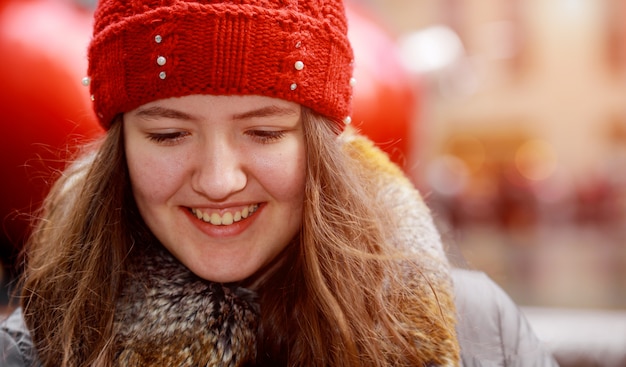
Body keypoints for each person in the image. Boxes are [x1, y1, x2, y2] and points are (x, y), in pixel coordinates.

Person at [0, 0, 558, 366]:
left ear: (321, 143)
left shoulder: (482, 333)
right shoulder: (37, 348)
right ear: (119, 149)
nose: (219, 181)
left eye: (264, 132)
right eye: (169, 135)